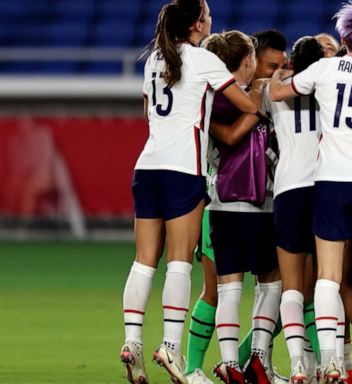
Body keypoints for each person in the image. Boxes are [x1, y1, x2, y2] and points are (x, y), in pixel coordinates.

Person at [120, 1, 262, 384]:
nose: (211, 20)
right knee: (180, 262)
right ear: (199, 24)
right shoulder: (202, 60)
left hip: (147, 165)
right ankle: (169, 346)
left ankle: (132, 341)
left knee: (142, 262)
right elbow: (247, 103)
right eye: (208, 15)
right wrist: (260, 102)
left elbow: (149, 110)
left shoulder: (154, 61)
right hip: (184, 169)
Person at [269, 3, 352, 384]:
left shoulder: (324, 68)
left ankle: (331, 361)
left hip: (330, 180)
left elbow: (281, 91)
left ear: (345, 35)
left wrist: (274, 79)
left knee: (328, 277)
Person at [185, 29, 288, 384]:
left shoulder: (208, 101)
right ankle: (258, 356)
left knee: (228, 288)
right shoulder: (262, 96)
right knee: (271, 283)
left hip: (219, 205)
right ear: (248, 60)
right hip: (261, 205)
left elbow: (218, 143)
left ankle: (230, 363)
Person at [261, 36, 324, 384]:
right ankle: (329, 362)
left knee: (292, 287)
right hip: (324, 189)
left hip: (287, 192)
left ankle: (298, 361)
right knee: (327, 283)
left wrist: (277, 75)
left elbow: (265, 94)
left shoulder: (276, 92)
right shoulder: (328, 89)